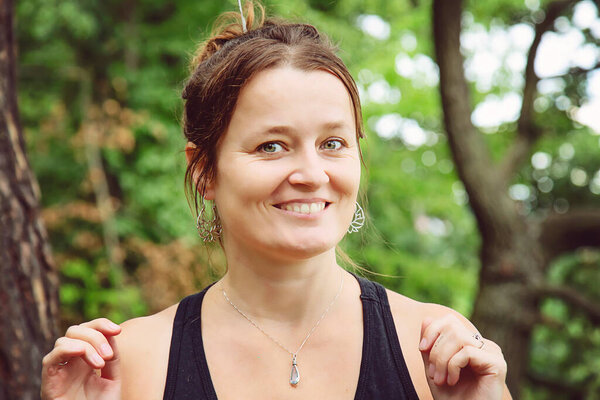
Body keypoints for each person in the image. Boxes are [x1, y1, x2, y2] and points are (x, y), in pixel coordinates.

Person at [41, 2, 511, 399]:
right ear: (204, 169)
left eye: (332, 144)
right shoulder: (129, 364)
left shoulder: (435, 347)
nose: (311, 174)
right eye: (272, 146)